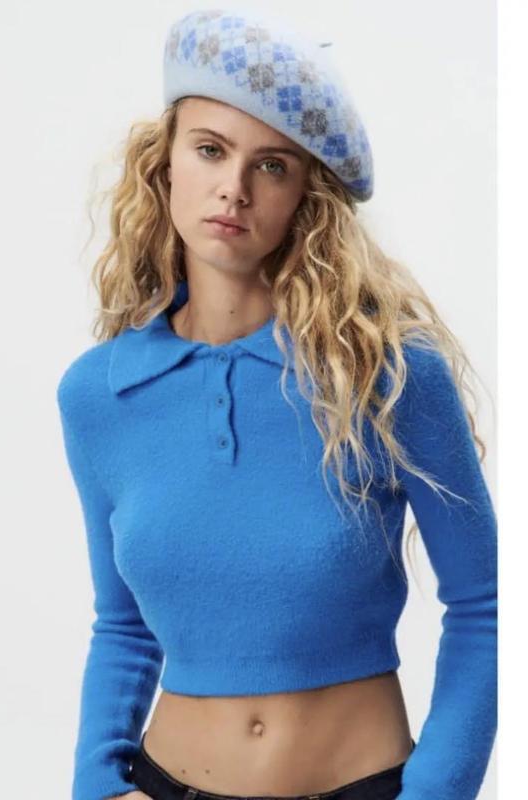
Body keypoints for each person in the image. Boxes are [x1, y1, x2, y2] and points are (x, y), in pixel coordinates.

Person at [56, 8, 497, 800]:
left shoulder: (386, 374)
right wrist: (96, 784)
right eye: (209, 150)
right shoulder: (100, 394)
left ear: (305, 196)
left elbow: (486, 606)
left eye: (271, 165)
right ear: (164, 164)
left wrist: (436, 792)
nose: (233, 186)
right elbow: (121, 624)